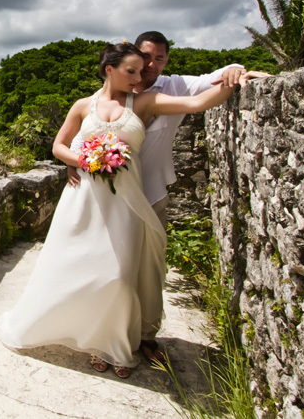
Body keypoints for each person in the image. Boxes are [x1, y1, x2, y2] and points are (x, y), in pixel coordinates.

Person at [0, 43, 255, 378]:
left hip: (126, 203)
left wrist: (234, 76)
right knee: (80, 269)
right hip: (85, 201)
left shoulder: (145, 102)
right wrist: (86, 160)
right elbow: (59, 146)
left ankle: (115, 344)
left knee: (118, 276)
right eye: (131, 71)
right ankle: (93, 341)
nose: (140, 77)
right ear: (109, 70)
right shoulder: (82, 105)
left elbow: (196, 103)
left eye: (140, 71)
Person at [67, 31, 270, 364]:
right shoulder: (103, 97)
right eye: (143, 58)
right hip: (108, 200)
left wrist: (238, 71)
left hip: (151, 192)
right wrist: (78, 162)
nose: (149, 65)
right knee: (109, 269)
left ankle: (145, 334)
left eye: (159, 59)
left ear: (166, 61)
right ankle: (106, 336)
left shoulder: (168, 90)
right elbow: (84, 133)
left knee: (150, 270)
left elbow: (206, 87)